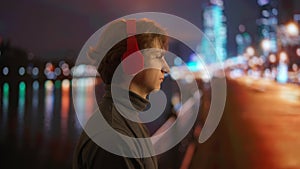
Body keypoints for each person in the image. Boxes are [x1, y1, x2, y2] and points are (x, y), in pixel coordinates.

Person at [73, 18, 170, 169]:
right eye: (158, 57)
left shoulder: (128, 119)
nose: (166, 68)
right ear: (132, 60)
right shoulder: (114, 139)